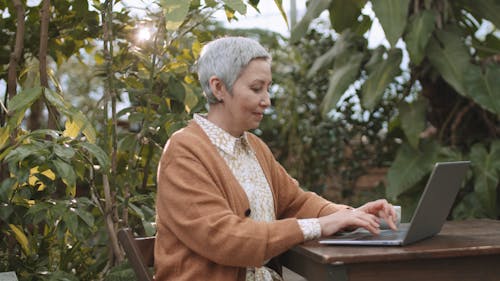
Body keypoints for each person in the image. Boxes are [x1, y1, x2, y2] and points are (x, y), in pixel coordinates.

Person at [154, 36, 397, 281]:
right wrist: (319, 225)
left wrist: (350, 215)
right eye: (256, 88)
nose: (267, 100)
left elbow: (296, 203)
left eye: (268, 88)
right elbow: (223, 237)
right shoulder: (184, 150)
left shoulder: (254, 147)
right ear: (218, 88)